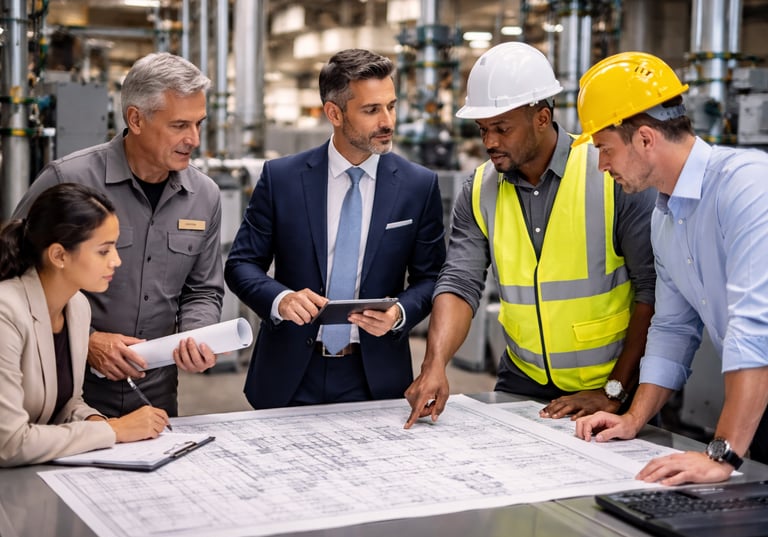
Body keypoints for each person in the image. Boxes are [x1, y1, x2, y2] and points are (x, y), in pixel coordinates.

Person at [404, 42, 656, 428]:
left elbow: (650, 291)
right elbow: (459, 282)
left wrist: (615, 390)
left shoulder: (609, 175)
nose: (489, 142)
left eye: (502, 129)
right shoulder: (478, 189)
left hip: (613, 385)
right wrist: (434, 365)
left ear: (541, 117)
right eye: (483, 129)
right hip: (522, 380)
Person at [572, 51, 768, 484]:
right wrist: (632, 418)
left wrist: (722, 453)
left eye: (605, 149)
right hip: (759, 407)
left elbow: (757, 328)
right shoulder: (665, 218)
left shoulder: (748, 186)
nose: (602, 166)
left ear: (645, 139)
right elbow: (673, 328)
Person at [225, 49, 446, 409]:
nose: (388, 120)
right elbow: (241, 265)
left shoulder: (417, 186)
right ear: (334, 113)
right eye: (372, 110)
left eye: (391, 105)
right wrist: (282, 300)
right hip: (290, 374)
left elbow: (432, 276)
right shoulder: (282, 179)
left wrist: (399, 313)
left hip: (376, 376)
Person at [12, 52, 224, 418]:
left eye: (199, 124)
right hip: (65, 391)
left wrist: (196, 334)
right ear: (136, 119)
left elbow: (203, 289)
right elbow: (15, 276)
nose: (193, 139)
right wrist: (87, 340)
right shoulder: (68, 180)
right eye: (179, 126)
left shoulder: (205, 196)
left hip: (155, 395)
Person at [0, 183, 170, 467]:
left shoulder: (77, 307)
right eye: (104, 251)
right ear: (59, 256)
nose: (116, 261)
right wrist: (114, 430)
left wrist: (96, 421)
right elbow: (9, 443)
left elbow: (67, 403)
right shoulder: (6, 312)